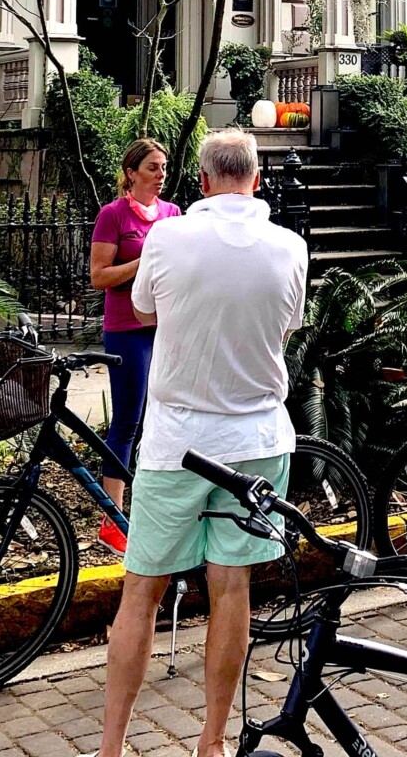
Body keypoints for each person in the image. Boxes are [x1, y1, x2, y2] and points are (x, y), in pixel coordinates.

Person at [93, 130, 307, 757]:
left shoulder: (168, 236)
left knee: (142, 589)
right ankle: (211, 741)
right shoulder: (290, 247)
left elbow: (144, 307)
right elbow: (287, 324)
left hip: (177, 440)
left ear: (204, 182)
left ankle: (111, 749)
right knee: (231, 586)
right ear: (258, 178)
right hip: (257, 438)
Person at [88, 138, 182, 512]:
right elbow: (99, 277)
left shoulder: (173, 213)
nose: (161, 175)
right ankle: (113, 512)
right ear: (131, 173)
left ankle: (157, 501)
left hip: (167, 325)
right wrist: (144, 262)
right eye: (152, 168)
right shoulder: (113, 215)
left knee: (167, 413)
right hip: (127, 328)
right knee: (128, 417)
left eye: (164, 167)